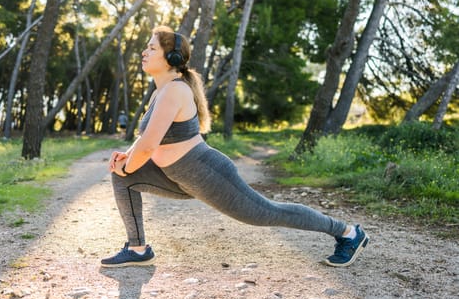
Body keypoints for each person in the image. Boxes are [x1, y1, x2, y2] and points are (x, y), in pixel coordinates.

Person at [103, 26, 369, 268]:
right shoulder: (159, 92)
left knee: (266, 213)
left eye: (151, 48)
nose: (144, 51)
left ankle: (348, 233)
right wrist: (126, 159)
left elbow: (149, 146)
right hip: (177, 176)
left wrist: (129, 165)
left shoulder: (175, 90)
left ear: (170, 58)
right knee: (122, 177)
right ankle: (138, 248)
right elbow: (147, 137)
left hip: (207, 172)